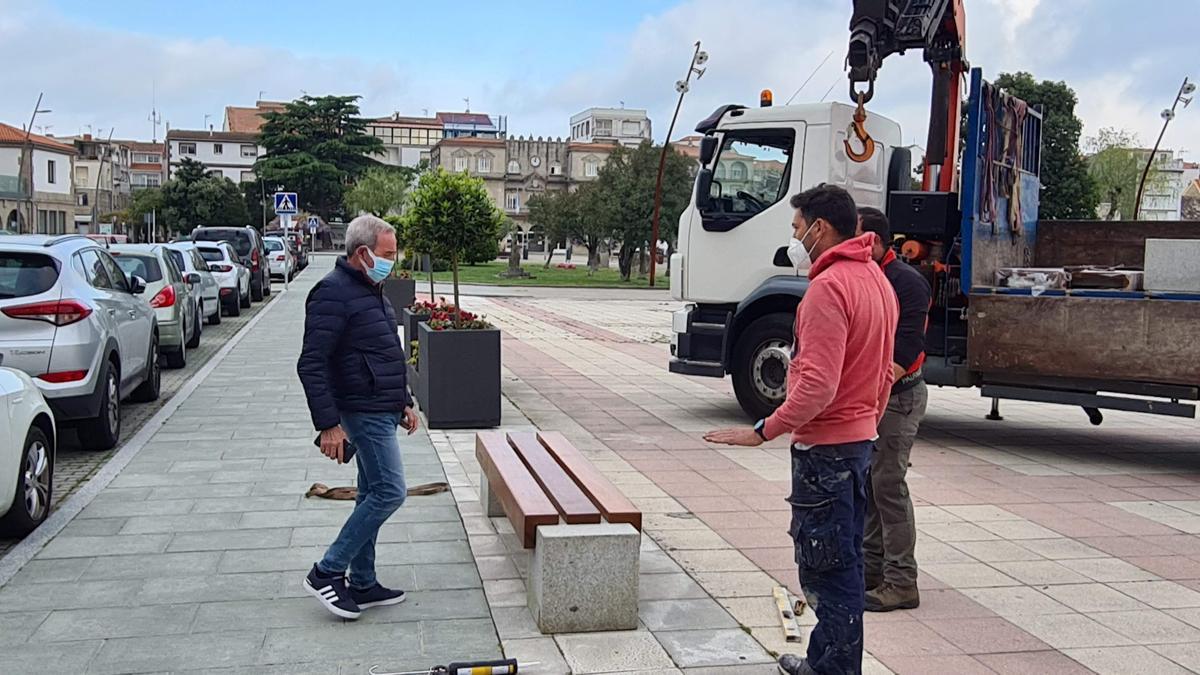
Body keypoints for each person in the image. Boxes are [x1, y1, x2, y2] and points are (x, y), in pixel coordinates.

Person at [706, 184, 898, 675]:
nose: (795, 238)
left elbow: (816, 387)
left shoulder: (829, 289)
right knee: (846, 565)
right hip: (856, 446)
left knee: (826, 571)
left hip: (827, 456)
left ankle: (832, 670)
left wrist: (764, 429)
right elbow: (881, 373)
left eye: (797, 228)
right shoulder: (876, 279)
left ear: (821, 228)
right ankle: (830, 662)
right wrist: (866, 424)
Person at [296, 215, 420, 620]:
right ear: (362, 252)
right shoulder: (332, 293)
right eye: (387, 254)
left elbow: (384, 351)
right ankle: (327, 571)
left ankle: (362, 581)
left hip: (381, 407)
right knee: (389, 492)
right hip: (360, 410)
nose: (393, 261)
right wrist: (328, 425)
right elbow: (311, 364)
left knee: (371, 494)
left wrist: (402, 400)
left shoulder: (372, 290)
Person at [856, 207, 932, 612]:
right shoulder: (865, 276)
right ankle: (872, 571)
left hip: (899, 396)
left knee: (888, 484)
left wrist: (878, 386)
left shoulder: (907, 282)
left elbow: (908, 346)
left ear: (876, 242)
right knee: (870, 482)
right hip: (874, 397)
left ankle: (902, 581)